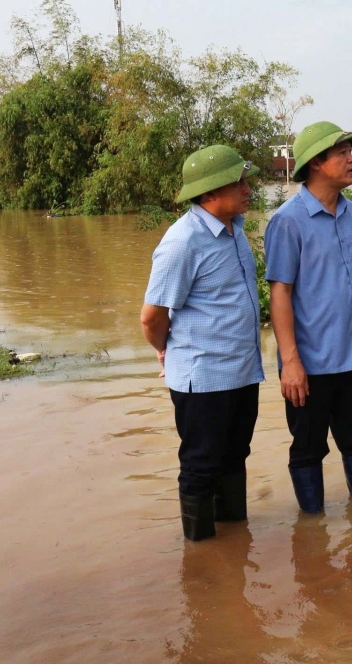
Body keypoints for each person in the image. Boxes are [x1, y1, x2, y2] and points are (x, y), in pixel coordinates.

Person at [141, 145, 264, 541]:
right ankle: (200, 556)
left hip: (242, 371)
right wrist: (165, 350)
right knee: (200, 464)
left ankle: (233, 543)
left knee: (235, 457)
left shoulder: (236, 227)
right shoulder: (183, 241)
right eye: (239, 182)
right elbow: (151, 316)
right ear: (210, 192)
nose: (248, 188)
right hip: (203, 377)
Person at [264, 121, 352, 514]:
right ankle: (312, 533)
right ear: (316, 163)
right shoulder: (288, 221)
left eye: (351, 152)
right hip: (310, 365)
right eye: (343, 154)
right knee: (307, 449)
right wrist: (291, 362)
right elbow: (279, 293)